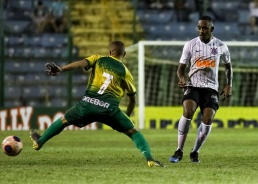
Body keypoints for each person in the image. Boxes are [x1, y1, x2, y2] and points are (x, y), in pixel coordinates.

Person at [30, 41, 164, 168]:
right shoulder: (125, 72)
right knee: (134, 133)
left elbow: (80, 64)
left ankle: (39, 142)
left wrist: (61, 69)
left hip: (87, 104)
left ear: (110, 52)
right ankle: (150, 160)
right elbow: (132, 99)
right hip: (109, 110)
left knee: (64, 120)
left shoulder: (98, 59)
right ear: (124, 54)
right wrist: (126, 116)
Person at [169, 16, 233, 163]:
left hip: (211, 88)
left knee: (208, 118)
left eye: (204, 28)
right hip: (193, 85)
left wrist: (229, 84)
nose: (201, 30)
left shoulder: (221, 46)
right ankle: (179, 150)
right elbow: (181, 68)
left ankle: (195, 151)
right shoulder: (190, 45)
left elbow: (228, 66)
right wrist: (182, 78)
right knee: (188, 111)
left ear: (212, 29)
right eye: (199, 27)